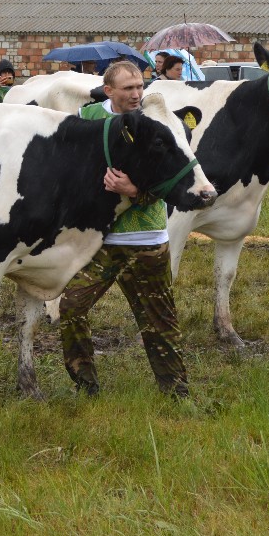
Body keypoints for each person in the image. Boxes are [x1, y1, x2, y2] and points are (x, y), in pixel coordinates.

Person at [58, 61, 189, 397]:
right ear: (109, 91)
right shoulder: (87, 119)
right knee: (71, 308)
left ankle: (177, 394)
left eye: (140, 87)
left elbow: (176, 180)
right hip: (97, 242)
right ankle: (86, 386)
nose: (136, 94)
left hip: (146, 239)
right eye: (128, 88)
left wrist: (135, 192)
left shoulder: (156, 121)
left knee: (159, 322)